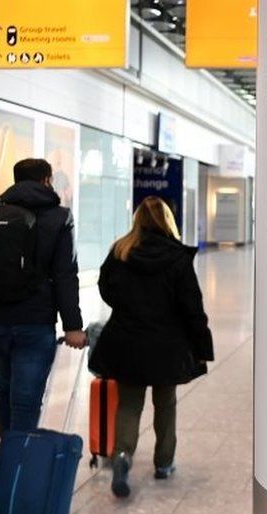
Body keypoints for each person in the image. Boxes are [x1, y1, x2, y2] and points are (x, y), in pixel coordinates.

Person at [91, 196, 214, 498]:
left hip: (127, 339)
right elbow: (191, 307)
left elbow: (106, 290)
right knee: (165, 403)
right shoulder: (177, 258)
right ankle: (164, 462)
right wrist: (202, 346)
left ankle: (122, 455)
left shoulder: (120, 251)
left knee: (129, 404)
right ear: (167, 220)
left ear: (137, 220)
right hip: (167, 344)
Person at [0, 158, 87, 436]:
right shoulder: (60, 217)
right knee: (25, 403)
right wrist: (73, 327)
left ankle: (7, 469)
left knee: (4, 392)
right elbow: (65, 275)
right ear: (46, 181)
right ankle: (16, 474)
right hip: (34, 323)